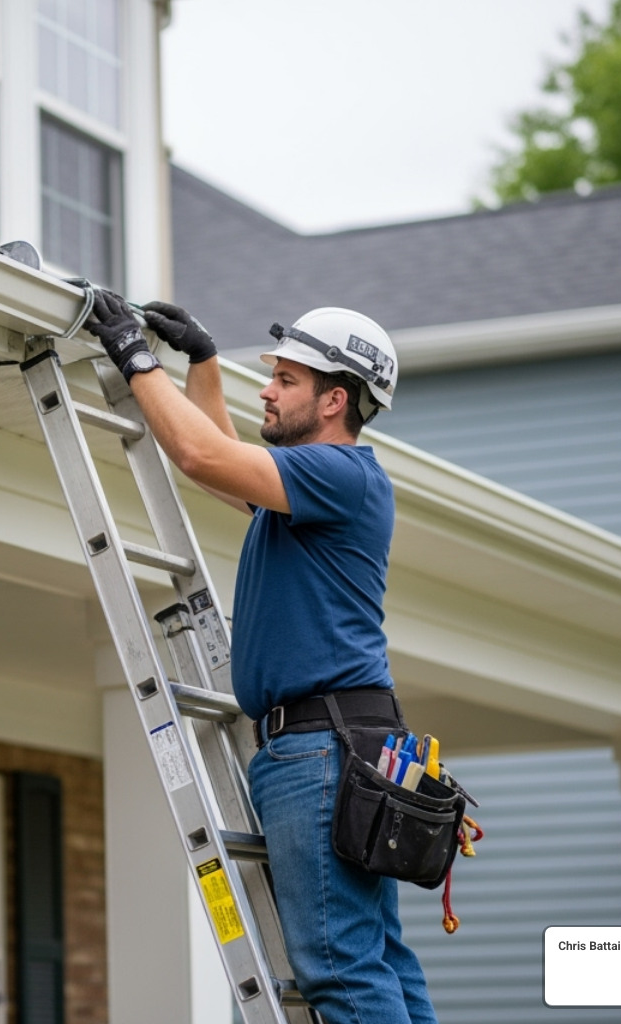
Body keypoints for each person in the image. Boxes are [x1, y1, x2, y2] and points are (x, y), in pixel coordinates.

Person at [83, 290, 436, 1024]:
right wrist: (202, 363)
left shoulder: (340, 477)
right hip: (342, 742)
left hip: (322, 748)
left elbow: (199, 452)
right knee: (377, 963)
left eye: (285, 381)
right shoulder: (315, 488)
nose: (267, 391)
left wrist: (134, 355)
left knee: (339, 971)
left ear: (335, 399)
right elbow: (221, 465)